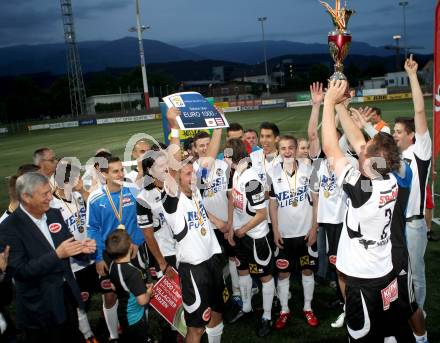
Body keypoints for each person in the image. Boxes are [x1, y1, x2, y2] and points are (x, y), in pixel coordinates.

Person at [322, 79, 413, 341]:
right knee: (387, 330)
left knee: (362, 336)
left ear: (371, 161)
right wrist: (341, 107)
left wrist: (329, 102)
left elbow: (331, 148)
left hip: (363, 281)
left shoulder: (363, 188)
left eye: (365, 153)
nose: (360, 152)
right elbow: (361, 143)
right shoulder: (389, 179)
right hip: (383, 271)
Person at [0, 172, 96, 343]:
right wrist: (57, 255)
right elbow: (20, 271)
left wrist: (84, 250)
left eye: (49, 192)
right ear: (26, 197)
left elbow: (69, 245)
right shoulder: (9, 227)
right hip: (39, 310)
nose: (50, 198)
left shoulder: (53, 214)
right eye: (44, 194)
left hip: (67, 299)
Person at [161, 107, 225, 343]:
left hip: (212, 259)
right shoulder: (172, 200)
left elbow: (210, 156)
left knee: (217, 314)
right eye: (187, 173)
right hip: (193, 269)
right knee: (196, 328)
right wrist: (174, 130)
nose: (192, 176)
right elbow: (173, 166)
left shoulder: (195, 190)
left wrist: (218, 125)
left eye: (192, 172)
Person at [86, 155, 145, 342]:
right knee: (110, 296)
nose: (121, 174)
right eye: (115, 171)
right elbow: (93, 229)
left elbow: (141, 220)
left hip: (132, 251)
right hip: (108, 256)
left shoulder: (133, 191)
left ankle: (141, 330)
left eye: (122, 170)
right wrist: (98, 258)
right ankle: (113, 336)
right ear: (104, 174)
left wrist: (135, 241)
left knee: (138, 293)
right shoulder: (95, 198)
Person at [392, 55, 431, 312]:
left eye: (398, 132)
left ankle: (419, 316)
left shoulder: (421, 151)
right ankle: (404, 313)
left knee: (416, 274)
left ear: (411, 135)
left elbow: (419, 110)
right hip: (396, 226)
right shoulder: (397, 156)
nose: (394, 135)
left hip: (414, 226)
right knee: (398, 274)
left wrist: (413, 76)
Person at [268, 135, 319, 329]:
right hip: (284, 234)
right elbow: (272, 204)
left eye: (291, 147)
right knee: (283, 273)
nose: (287, 151)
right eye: (283, 148)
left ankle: (308, 307)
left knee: (307, 270)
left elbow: (316, 201)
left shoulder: (309, 170)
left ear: (297, 148)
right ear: (279, 150)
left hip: (306, 233)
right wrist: (275, 230)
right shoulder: (272, 173)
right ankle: (284, 310)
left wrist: (314, 227)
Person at [225, 138, 275, 337]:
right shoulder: (237, 173)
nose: (224, 159)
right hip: (241, 234)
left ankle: (267, 316)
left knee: (265, 276)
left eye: (226, 155)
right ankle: (246, 307)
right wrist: (231, 227)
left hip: (256, 237)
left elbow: (262, 214)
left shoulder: (251, 180)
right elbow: (232, 200)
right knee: (242, 271)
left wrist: (242, 229)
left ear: (232, 157)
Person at [51, 161, 100, 343]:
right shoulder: (53, 205)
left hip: (91, 255)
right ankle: (87, 336)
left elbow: (93, 211)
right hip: (73, 264)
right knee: (80, 303)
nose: (78, 180)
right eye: (74, 177)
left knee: (105, 292)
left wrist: (82, 191)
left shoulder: (78, 195)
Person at [106, 230, 154, 343]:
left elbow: (114, 286)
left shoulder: (112, 265)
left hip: (123, 313)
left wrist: (138, 287)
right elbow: (142, 301)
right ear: (130, 247)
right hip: (135, 318)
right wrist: (148, 292)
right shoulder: (133, 272)